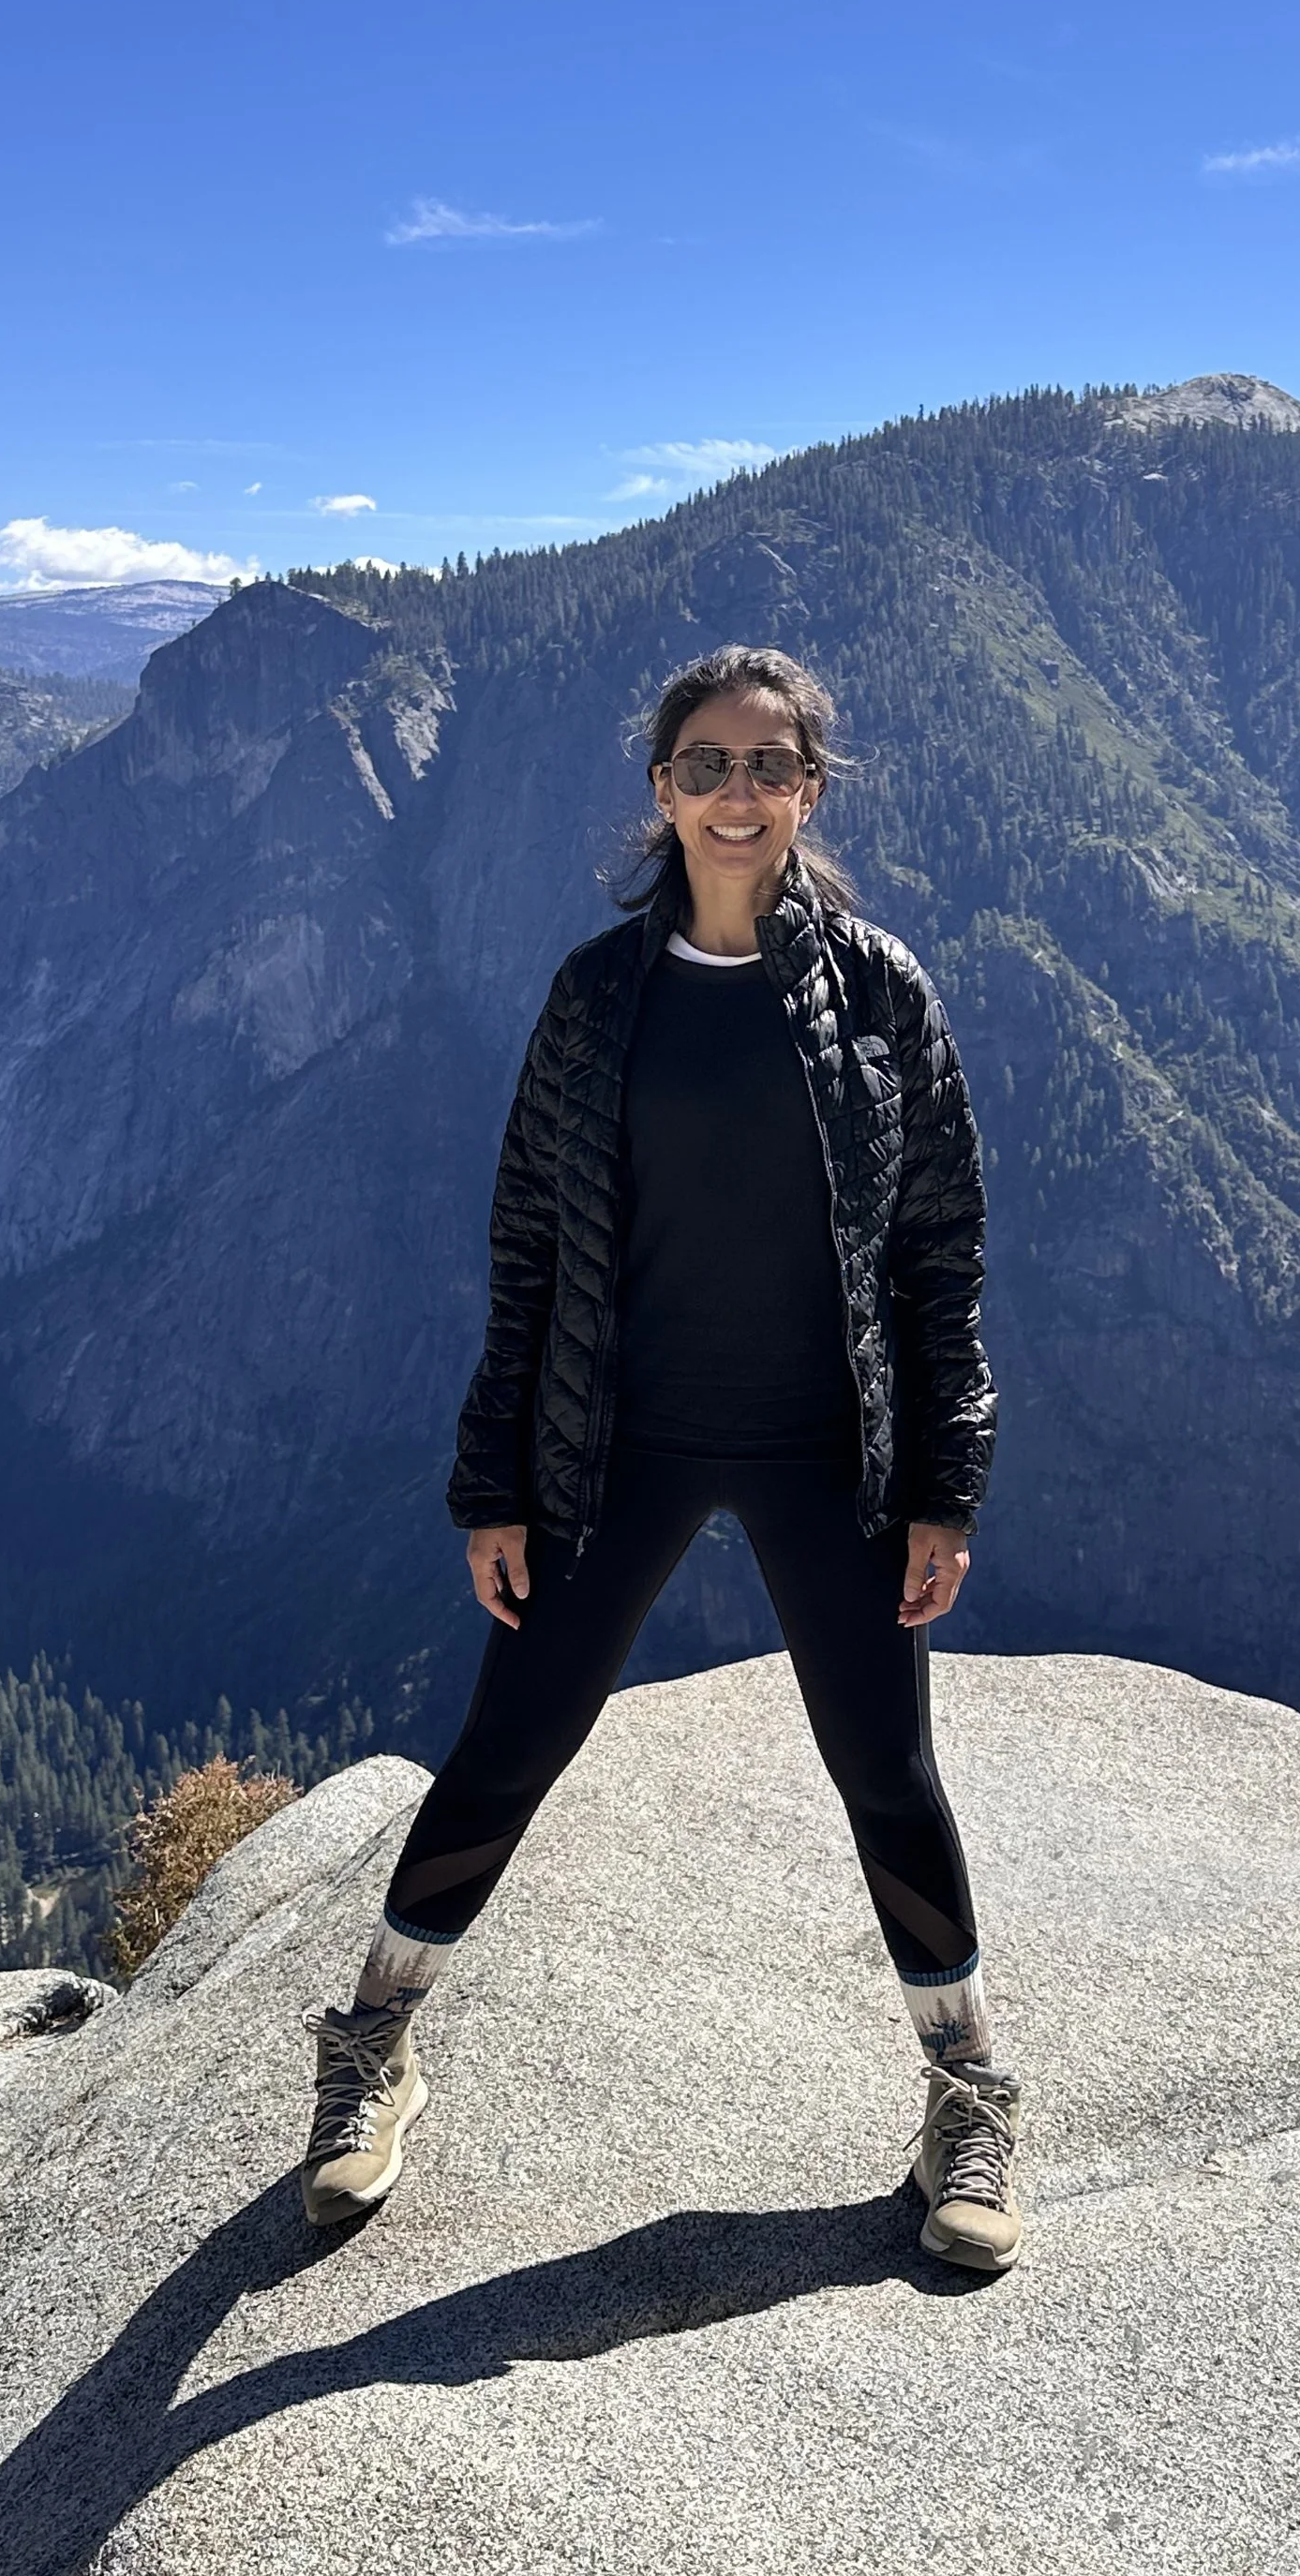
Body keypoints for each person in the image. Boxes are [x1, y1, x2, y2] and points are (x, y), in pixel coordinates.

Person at [300, 644, 1021, 2270]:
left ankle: (966, 2091)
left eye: (771, 764)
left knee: (886, 1768)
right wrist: (493, 1480)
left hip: (825, 1446)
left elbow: (940, 1258)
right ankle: (372, 2046)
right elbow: (529, 1254)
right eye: (707, 763)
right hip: (612, 1440)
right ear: (662, 790)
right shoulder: (595, 998)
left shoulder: (881, 993)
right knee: (509, 1743)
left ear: (811, 789)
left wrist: (944, 1484)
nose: (739, 792)